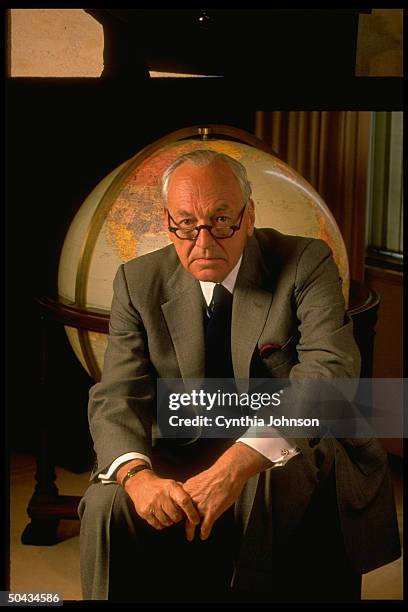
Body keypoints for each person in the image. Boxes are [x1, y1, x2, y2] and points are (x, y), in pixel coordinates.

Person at [78, 150, 401, 603]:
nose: (204, 242)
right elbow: (117, 395)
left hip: (292, 441)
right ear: (168, 223)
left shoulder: (306, 261)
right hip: (180, 440)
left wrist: (236, 464)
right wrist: (136, 477)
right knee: (107, 503)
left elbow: (330, 374)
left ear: (249, 217)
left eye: (222, 220)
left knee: (269, 481)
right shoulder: (136, 280)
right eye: (186, 224)